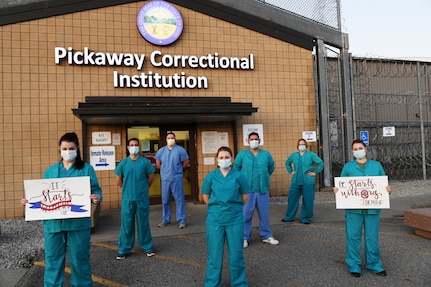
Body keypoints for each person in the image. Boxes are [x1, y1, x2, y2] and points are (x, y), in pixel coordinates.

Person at [21, 132, 102, 287]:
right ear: (59, 148)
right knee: (52, 261)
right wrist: (29, 202)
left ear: (77, 148)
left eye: (71, 148)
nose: (68, 151)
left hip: (78, 224)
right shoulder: (50, 171)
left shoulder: (86, 169)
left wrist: (96, 197)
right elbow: (41, 195)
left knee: (80, 260)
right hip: (53, 225)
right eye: (64, 148)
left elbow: (96, 190)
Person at [333, 139, 391, 278]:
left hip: (373, 209)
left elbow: (383, 184)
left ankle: (374, 264)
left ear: (366, 149)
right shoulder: (348, 167)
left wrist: (387, 189)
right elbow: (343, 186)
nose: (358, 150)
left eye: (360, 148)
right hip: (353, 210)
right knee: (353, 237)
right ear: (352, 152)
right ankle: (354, 265)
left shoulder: (376, 166)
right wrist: (338, 191)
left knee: (372, 237)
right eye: (355, 149)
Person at [202, 146, 249, 287]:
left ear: (232, 159)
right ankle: (212, 284)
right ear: (217, 160)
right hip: (215, 220)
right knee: (214, 256)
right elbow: (205, 197)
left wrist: (231, 207)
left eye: (227, 157)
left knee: (236, 255)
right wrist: (219, 208)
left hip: (234, 219)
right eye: (221, 157)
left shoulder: (239, 176)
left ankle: (239, 283)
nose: (224, 160)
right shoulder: (210, 177)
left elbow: (245, 197)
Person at [234, 132, 279, 248]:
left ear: (259, 140)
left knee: (264, 214)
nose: (254, 141)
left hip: (262, 190)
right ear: (248, 141)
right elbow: (236, 168)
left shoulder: (266, 154)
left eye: (256, 139)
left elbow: (271, 167)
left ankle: (266, 235)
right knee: (246, 214)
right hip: (248, 191)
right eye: (252, 139)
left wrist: (264, 177)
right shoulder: (242, 155)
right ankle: (244, 237)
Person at [114, 138, 156, 260]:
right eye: (131, 145)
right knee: (126, 225)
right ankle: (124, 249)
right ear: (128, 147)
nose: (134, 147)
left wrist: (142, 188)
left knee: (143, 224)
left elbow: (151, 178)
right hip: (127, 199)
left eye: (136, 145)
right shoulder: (123, 163)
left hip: (142, 198)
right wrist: (128, 189)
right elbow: (119, 180)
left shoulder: (145, 162)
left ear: (139, 147)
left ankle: (147, 247)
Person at [282, 139, 324, 224]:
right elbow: (287, 163)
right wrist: (291, 171)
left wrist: (315, 172)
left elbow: (320, 163)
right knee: (292, 200)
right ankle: (289, 217)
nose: (302, 146)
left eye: (303, 144)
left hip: (308, 182)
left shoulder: (311, 155)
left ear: (306, 146)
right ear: (297, 146)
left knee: (308, 201)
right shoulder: (294, 155)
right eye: (300, 144)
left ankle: (306, 218)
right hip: (296, 181)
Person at [155, 132, 189, 229]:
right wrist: (165, 170)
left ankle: (181, 221)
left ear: (175, 139)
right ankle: (165, 220)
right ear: (166, 140)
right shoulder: (161, 151)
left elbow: (186, 162)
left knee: (179, 201)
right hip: (165, 180)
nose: (170, 139)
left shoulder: (180, 150)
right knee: (165, 201)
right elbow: (158, 163)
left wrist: (178, 170)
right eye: (169, 138)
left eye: (172, 137)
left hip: (176, 179)